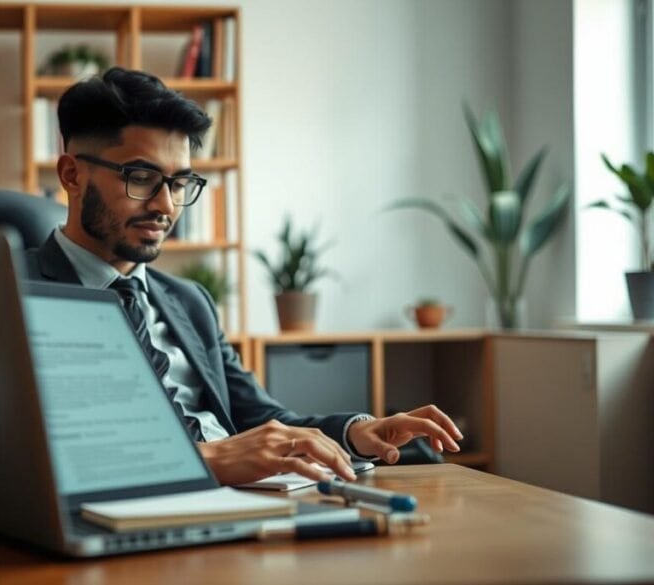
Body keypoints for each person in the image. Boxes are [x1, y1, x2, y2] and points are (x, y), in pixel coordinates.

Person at [23, 67, 463, 486]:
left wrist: (353, 433)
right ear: (71, 175)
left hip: (248, 503)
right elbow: (38, 454)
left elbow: (263, 421)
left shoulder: (188, 301)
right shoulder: (12, 294)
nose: (166, 206)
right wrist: (206, 458)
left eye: (179, 184)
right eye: (141, 177)